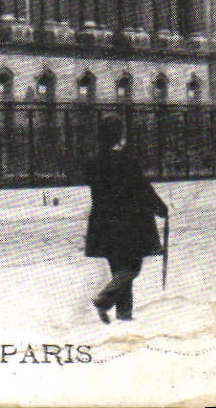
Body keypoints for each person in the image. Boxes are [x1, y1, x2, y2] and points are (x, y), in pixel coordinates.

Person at [86, 115, 168, 323]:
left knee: (118, 267)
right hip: (129, 222)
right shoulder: (126, 160)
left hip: (103, 222)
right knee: (132, 266)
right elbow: (142, 189)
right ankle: (105, 299)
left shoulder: (93, 161)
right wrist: (160, 208)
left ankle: (124, 315)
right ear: (118, 135)